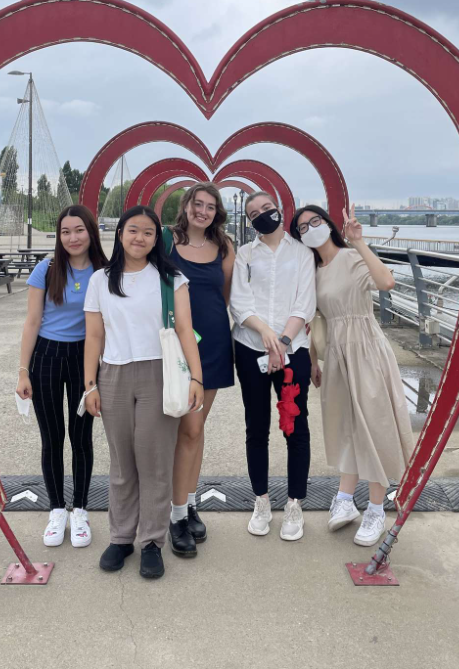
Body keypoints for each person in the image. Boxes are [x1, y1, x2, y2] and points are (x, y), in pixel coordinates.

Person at [83, 205, 203, 580]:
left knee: (154, 462)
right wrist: (90, 384)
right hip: (113, 374)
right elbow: (94, 335)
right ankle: (121, 537)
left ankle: (152, 541)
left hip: (159, 373)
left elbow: (185, 330)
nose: (140, 238)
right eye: (133, 230)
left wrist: (196, 378)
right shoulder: (101, 279)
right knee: (121, 464)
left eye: (148, 233)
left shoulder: (171, 278)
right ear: (120, 234)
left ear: (157, 239)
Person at [291, 203, 414, 547]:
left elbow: (385, 281)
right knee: (346, 425)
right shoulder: (311, 270)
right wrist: (314, 360)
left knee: (374, 425)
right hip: (337, 355)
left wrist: (359, 242)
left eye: (315, 221)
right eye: (302, 227)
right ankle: (345, 499)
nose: (310, 228)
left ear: (328, 225)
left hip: (365, 347)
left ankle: (377, 507)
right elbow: (315, 319)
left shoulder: (349, 257)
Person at [16, 204, 107, 548]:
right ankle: (57, 509)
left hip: (85, 359)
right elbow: (32, 322)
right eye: (65, 231)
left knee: (81, 437)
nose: (73, 237)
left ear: (91, 232)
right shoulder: (48, 268)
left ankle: (80, 509)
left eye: (79, 230)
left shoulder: (105, 270)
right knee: (52, 438)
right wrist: (23, 370)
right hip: (48, 358)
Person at [229, 191, 316, 541]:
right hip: (251, 348)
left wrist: (283, 341)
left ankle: (295, 503)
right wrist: (265, 332)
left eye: (267, 208)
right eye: (254, 213)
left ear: (279, 209)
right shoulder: (245, 255)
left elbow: (305, 301)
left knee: (295, 425)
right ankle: (261, 500)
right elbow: (239, 301)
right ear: (249, 221)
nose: (262, 215)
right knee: (257, 425)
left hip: (293, 350)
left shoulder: (303, 253)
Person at [166, 183, 235, 557]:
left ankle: (187, 503)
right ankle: (176, 514)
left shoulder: (224, 247)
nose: (203, 211)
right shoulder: (166, 242)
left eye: (210, 206)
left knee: (196, 429)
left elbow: (224, 296)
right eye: (198, 204)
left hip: (213, 345)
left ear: (216, 212)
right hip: (175, 347)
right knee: (186, 429)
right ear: (186, 206)